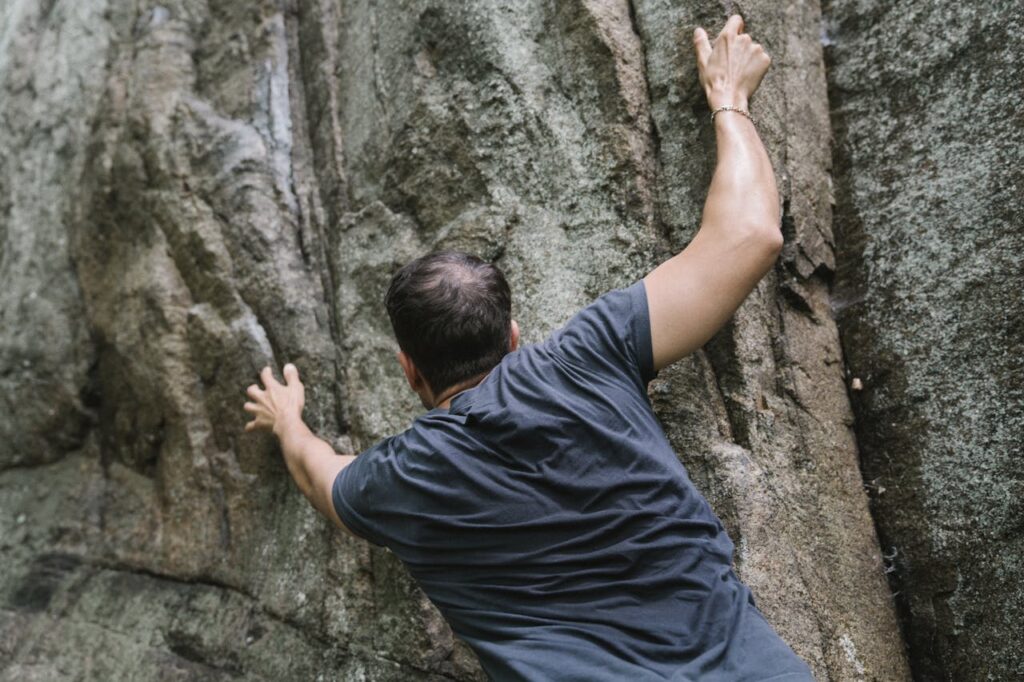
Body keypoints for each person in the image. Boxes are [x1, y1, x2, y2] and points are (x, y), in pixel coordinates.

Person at [243, 14, 815, 682]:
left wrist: (288, 421)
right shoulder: (591, 353)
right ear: (512, 336)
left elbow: (320, 475)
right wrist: (728, 98)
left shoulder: (400, 480)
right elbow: (750, 234)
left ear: (409, 371)